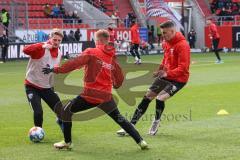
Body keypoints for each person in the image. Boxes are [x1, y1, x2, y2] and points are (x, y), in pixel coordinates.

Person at [42, 29, 148, 150]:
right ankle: (141, 141)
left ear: (98, 40)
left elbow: (74, 64)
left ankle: (68, 142)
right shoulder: (112, 58)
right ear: (107, 41)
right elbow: (119, 78)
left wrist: (55, 69)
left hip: (90, 95)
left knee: (65, 112)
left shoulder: (91, 51)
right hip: (106, 96)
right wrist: (116, 85)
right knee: (120, 119)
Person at [117, 21, 190, 136]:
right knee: (147, 97)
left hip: (179, 79)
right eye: (162, 33)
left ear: (172, 31)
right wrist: (160, 69)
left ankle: (156, 121)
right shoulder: (166, 43)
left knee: (160, 98)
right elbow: (165, 59)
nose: (163, 36)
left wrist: (167, 74)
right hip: (166, 75)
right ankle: (130, 126)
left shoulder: (183, 45)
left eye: (165, 33)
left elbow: (183, 68)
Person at [23, 29, 63, 129]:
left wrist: (53, 88)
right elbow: (25, 50)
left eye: (59, 40)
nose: (57, 42)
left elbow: (54, 71)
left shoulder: (59, 53)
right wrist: (41, 46)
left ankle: (61, 124)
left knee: (61, 111)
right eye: (55, 40)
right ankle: (37, 131)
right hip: (32, 86)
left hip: (47, 88)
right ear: (50, 38)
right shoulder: (42, 47)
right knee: (38, 112)